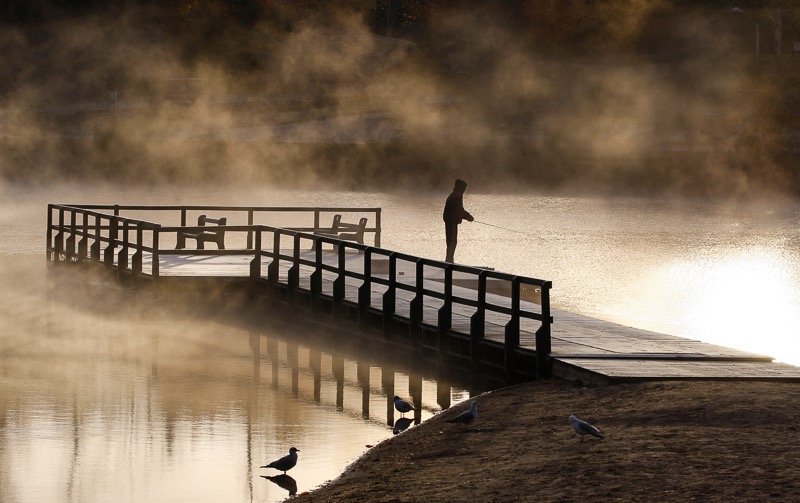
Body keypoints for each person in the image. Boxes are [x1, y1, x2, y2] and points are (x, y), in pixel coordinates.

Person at [442, 178, 474, 263]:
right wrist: (468, 217)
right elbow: (459, 210)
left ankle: (449, 259)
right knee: (452, 241)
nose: (464, 190)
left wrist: (466, 217)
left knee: (450, 241)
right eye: (464, 188)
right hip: (451, 221)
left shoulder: (454, 194)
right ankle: (449, 260)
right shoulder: (457, 195)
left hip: (450, 220)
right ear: (460, 187)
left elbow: (458, 210)